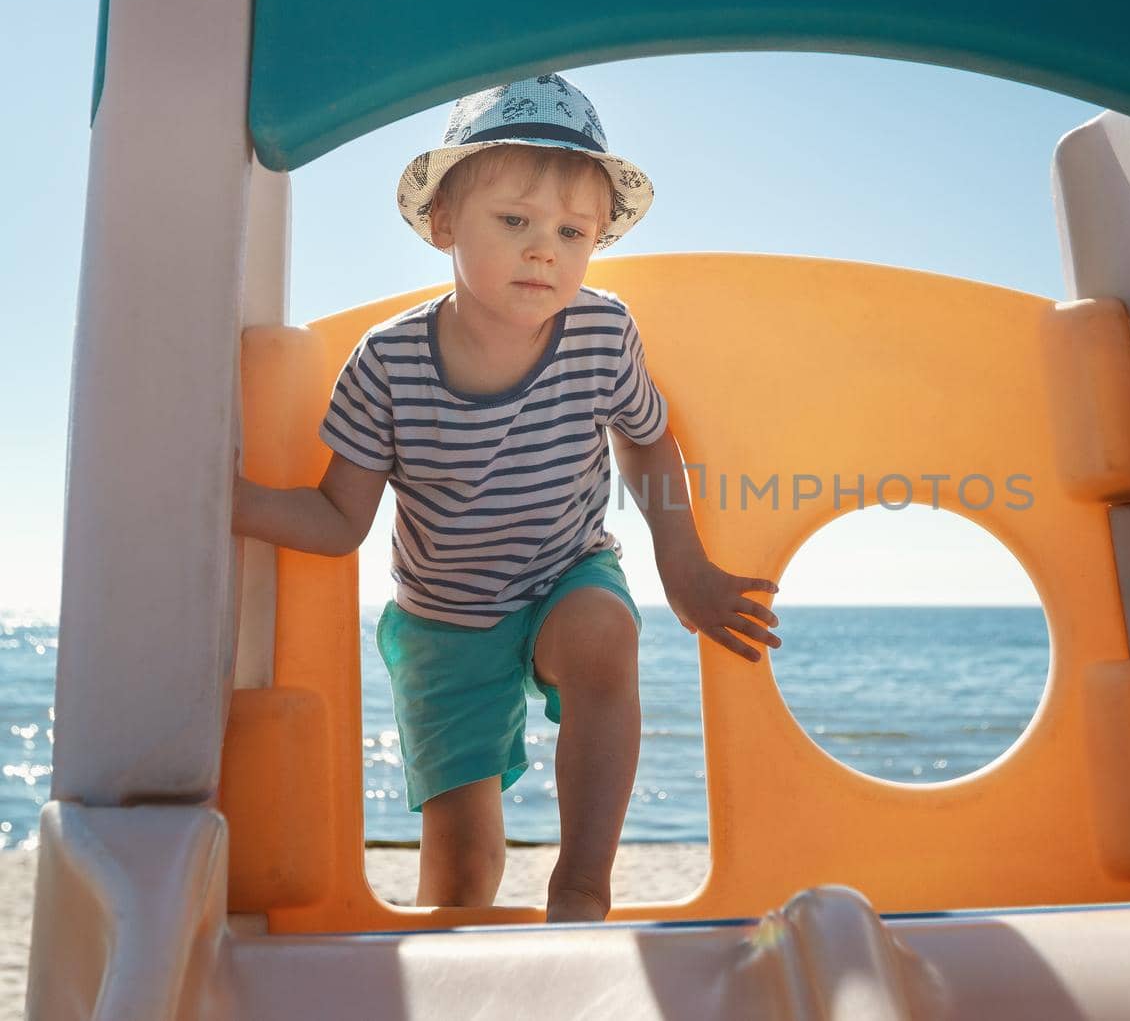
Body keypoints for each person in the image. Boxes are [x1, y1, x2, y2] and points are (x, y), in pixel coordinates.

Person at [232, 74, 781, 923]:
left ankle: (581, 886)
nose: (544, 251)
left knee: (604, 637)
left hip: (567, 572)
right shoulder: (388, 363)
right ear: (444, 223)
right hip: (445, 618)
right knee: (462, 871)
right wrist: (222, 501)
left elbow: (646, 434)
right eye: (515, 221)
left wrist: (685, 566)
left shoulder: (602, 331)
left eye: (572, 231)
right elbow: (339, 519)